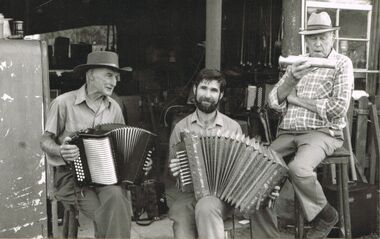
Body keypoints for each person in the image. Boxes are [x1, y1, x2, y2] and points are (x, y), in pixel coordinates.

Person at [40, 51, 152, 238]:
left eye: (116, 77)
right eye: (109, 75)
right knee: (110, 214)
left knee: (117, 198)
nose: (114, 82)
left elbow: (124, 148)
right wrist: (61, 150)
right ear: (90, 74)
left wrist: (140, 164)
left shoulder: (114, 107)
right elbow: (44, 141)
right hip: (71, 178)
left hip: (106, 177)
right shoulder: (63, 103)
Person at [268, 12, 354, 239]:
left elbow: (337, 109)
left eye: (322, 37)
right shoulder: (297, 63)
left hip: (322, 132)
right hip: (288, 131)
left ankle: (326, 215)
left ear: (332, 38)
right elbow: (274, 101)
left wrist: (296, 100)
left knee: (299, 168)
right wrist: (290, 81)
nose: (317, 43)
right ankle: (266, 227)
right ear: (306, 40)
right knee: (261, 163)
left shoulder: (342, 64)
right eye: (313, 38)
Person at [168, 68, 280, 239]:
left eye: (214, 90)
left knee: (206, 206)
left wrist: (266, 185)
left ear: (220, 96)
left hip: (221, 197)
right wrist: (176, 168)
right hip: (189, 195)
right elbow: (172, 172)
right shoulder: (180, 127)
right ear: (195, 90)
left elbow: (244, 170)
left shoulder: (233, 127)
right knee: (182, 223)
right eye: (204, 88)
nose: (207, 95)